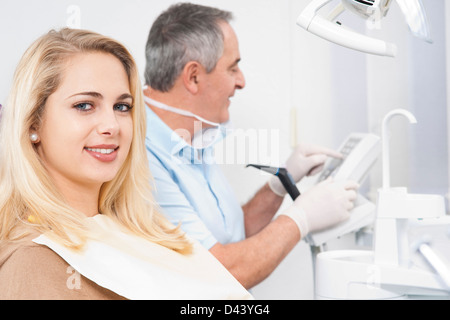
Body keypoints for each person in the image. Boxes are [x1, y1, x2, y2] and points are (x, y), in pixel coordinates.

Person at [0, 28, 252, 300]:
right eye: (84, 105)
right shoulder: (34, 260)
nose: (112, 126)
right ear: (32, 124)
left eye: (122, 107)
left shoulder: (150, 231)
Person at [143, 3, 359, 289]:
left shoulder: (192, 137)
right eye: (233, 68)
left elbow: (231, 235)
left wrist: (280, 183)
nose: (241, 81)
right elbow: (220, 270)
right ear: (193, 76)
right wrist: (301, 218)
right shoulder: (142, 157)